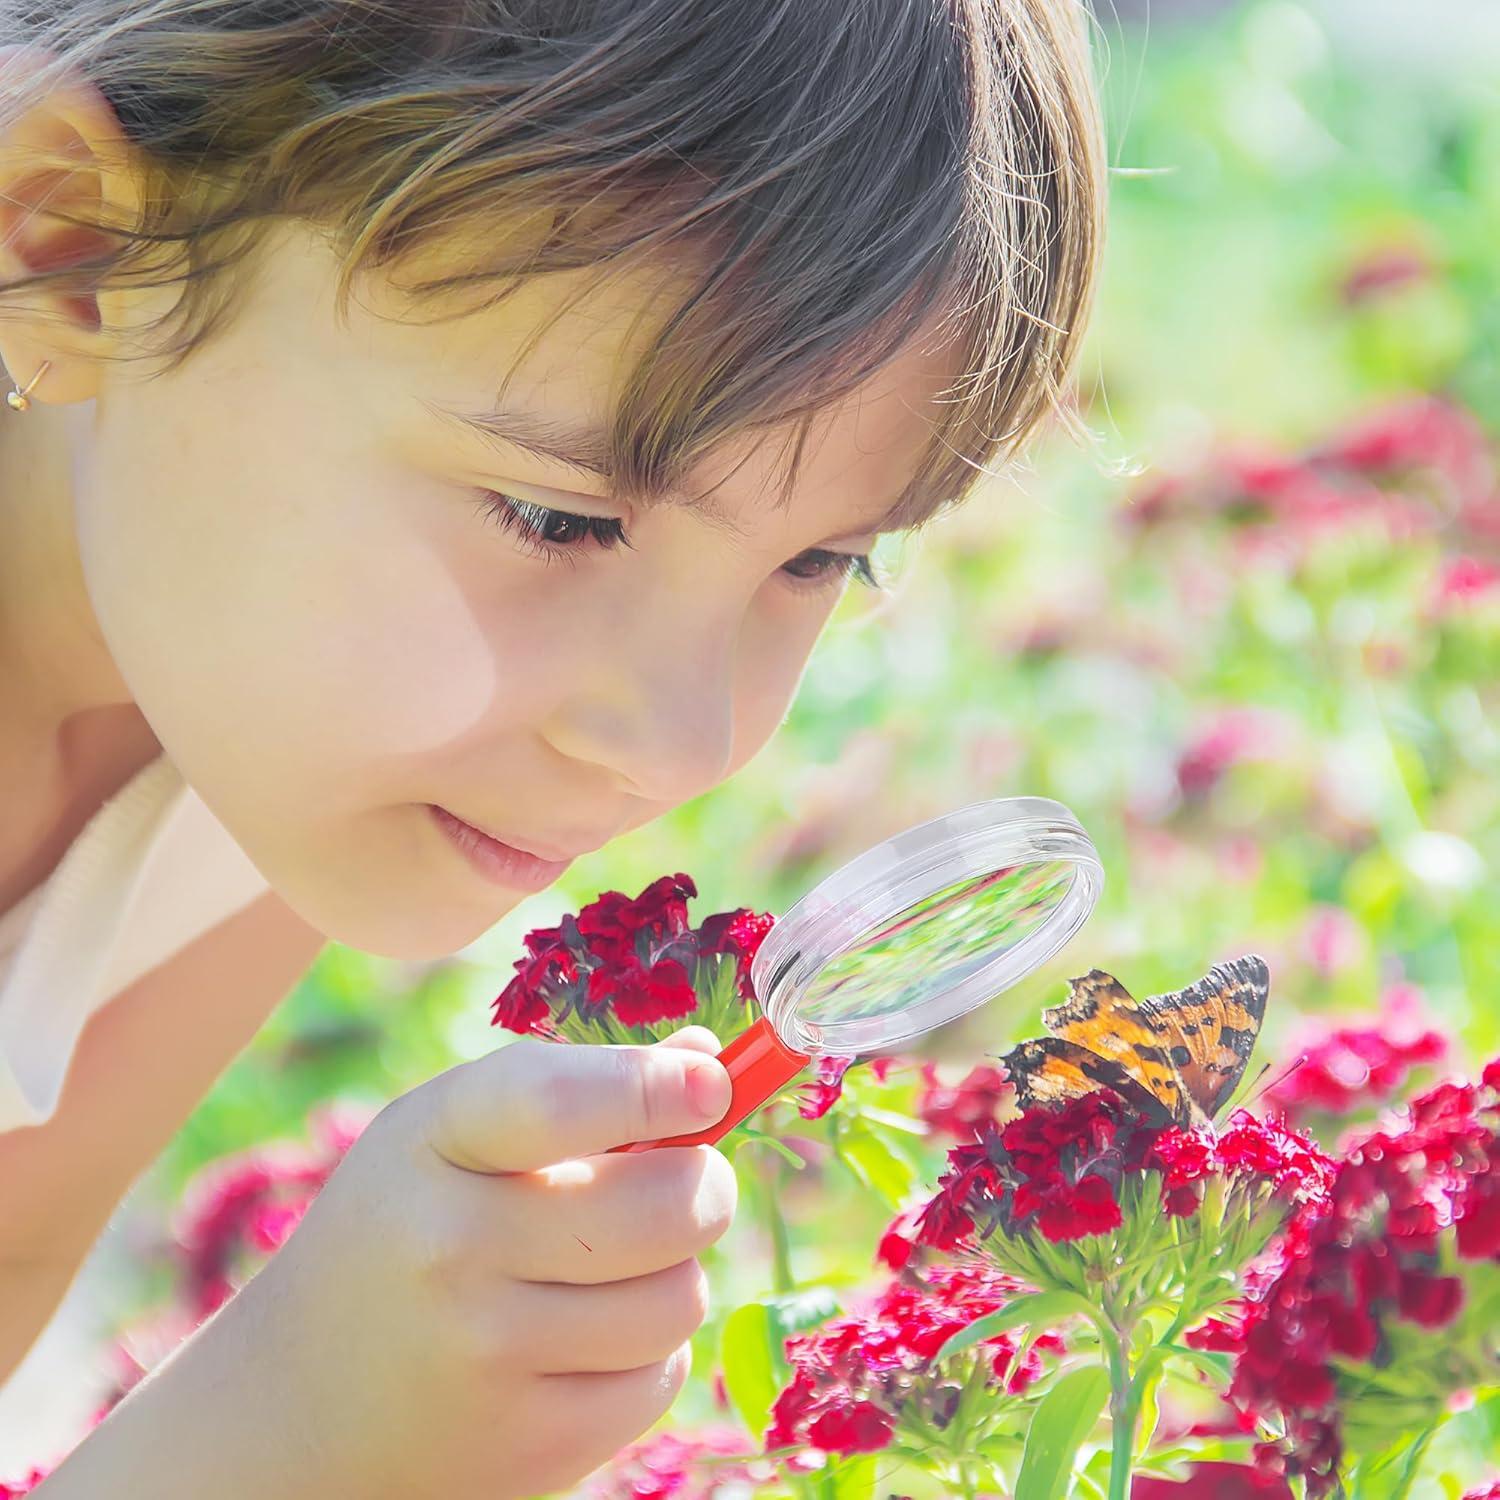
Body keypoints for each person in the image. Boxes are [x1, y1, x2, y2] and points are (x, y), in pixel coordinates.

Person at [0, 1, 1103, 1493]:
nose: (675, 744)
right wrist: (281, 1431)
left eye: (823, 561)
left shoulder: (259, 737)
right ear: (72, 252)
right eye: (559, 519)